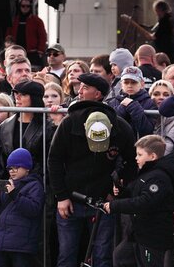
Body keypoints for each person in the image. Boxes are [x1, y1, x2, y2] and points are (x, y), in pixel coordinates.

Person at [47, 73, 137, 267]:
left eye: (85, 88)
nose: (79, 91)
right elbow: (54, 160)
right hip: (70, 198)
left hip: (103, 201)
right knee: (66, 255)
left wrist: (117, 190)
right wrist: (61, 196)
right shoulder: (69, 124)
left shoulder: (121, 128)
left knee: (103, 255)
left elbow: (132, 162)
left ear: (98, 94)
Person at [104, 135, 174, 267]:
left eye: (140, 154)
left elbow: (145, 202)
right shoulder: (146, 173)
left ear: (152, 156)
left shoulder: (159, 177)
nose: (136, 158)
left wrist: (115, 205)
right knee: (121, 256)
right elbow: (135, 192)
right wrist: (122, 192)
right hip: (138, 233)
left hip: (153, 237)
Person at [0, 148, 46, 267]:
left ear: (27, 168)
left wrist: (14, 194)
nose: (12, 171)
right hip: (1, 243)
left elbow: (33, 209)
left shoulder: (35, 185)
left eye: (16, 167)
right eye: (9, 168)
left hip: (21, 246)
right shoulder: (8, 184)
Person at [0, 80, 53, 178]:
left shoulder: (47, 127)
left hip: (36, 182)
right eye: (16, 94)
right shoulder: (4, 126)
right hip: (9, 183)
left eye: (22, 94)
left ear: (34, 98)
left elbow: (49, 160)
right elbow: (0, 160)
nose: (17, 97)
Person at [108, 66, 157, 138]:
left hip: (140, 145)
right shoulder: (113, 102)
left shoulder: (150, 102)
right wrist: (122, 108)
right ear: (121, 84)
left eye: (134, 82)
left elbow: (147, 130)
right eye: (126, 82)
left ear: (142, 84)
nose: (129, 86)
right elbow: (111, 127)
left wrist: (133, 106)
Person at [6, 0, 48, 68]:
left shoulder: (37, 21)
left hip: (32, 53)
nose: (25, 8)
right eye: (23, 6)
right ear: (19, 7)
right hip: (16, 52)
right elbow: (8, 35)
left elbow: (42, 36)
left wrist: (40, 51)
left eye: (28, 6)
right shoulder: (14, 20)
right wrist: (8, 46)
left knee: (32, 71)